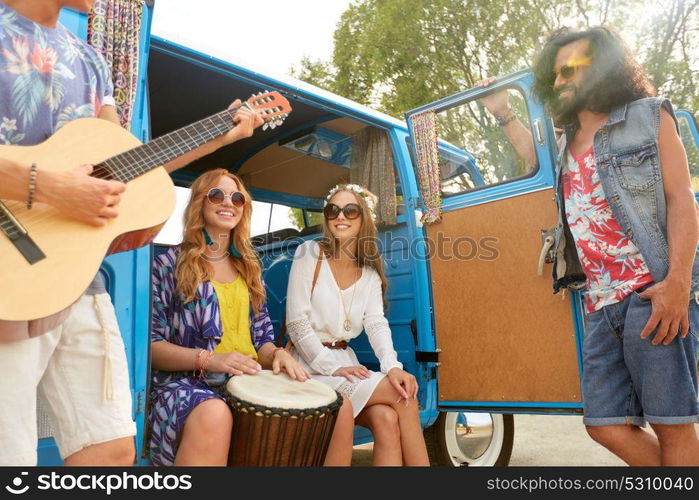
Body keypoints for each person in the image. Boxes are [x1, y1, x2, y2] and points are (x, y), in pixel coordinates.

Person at [0, 0, 262, 466]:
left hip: (76, 280)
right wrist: (53, 187)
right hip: (8, 272)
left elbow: (127, 165)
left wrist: (223, 136)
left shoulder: (91, 61)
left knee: (111, 450)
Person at [530, 27, 698, 465]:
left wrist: (678, 282)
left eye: (570, 71)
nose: (560, 82)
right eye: (554, 76)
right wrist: (502, 115)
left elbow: (683, 199)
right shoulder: (564, 143)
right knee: (603, 423)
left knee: (671, 421)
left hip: (651, 291)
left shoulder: (647, 116)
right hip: (599, 304)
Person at [149, 169, 354, 466]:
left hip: (245, 378)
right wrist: (209, 359)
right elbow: (152, 347)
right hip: (187, 382)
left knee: (340, 406)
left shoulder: (248, 267)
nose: (228, 202)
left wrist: (278, 355)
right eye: (216, 195)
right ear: (199, 204)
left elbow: (262, 342)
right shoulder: (168, 265)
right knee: (213, 412)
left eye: (237, 198)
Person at [285, 184, 430, 466]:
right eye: (333, 210)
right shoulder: (309, 253)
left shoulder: (369, 274)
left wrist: (393, 367)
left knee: (388, 420)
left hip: (345, 365)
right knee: (405, 398)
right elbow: (297, 323)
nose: (341, 216)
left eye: (350, 210)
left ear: (362, 218)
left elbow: (377, 324)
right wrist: (331, 366)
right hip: (307, 365)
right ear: (326, 218)